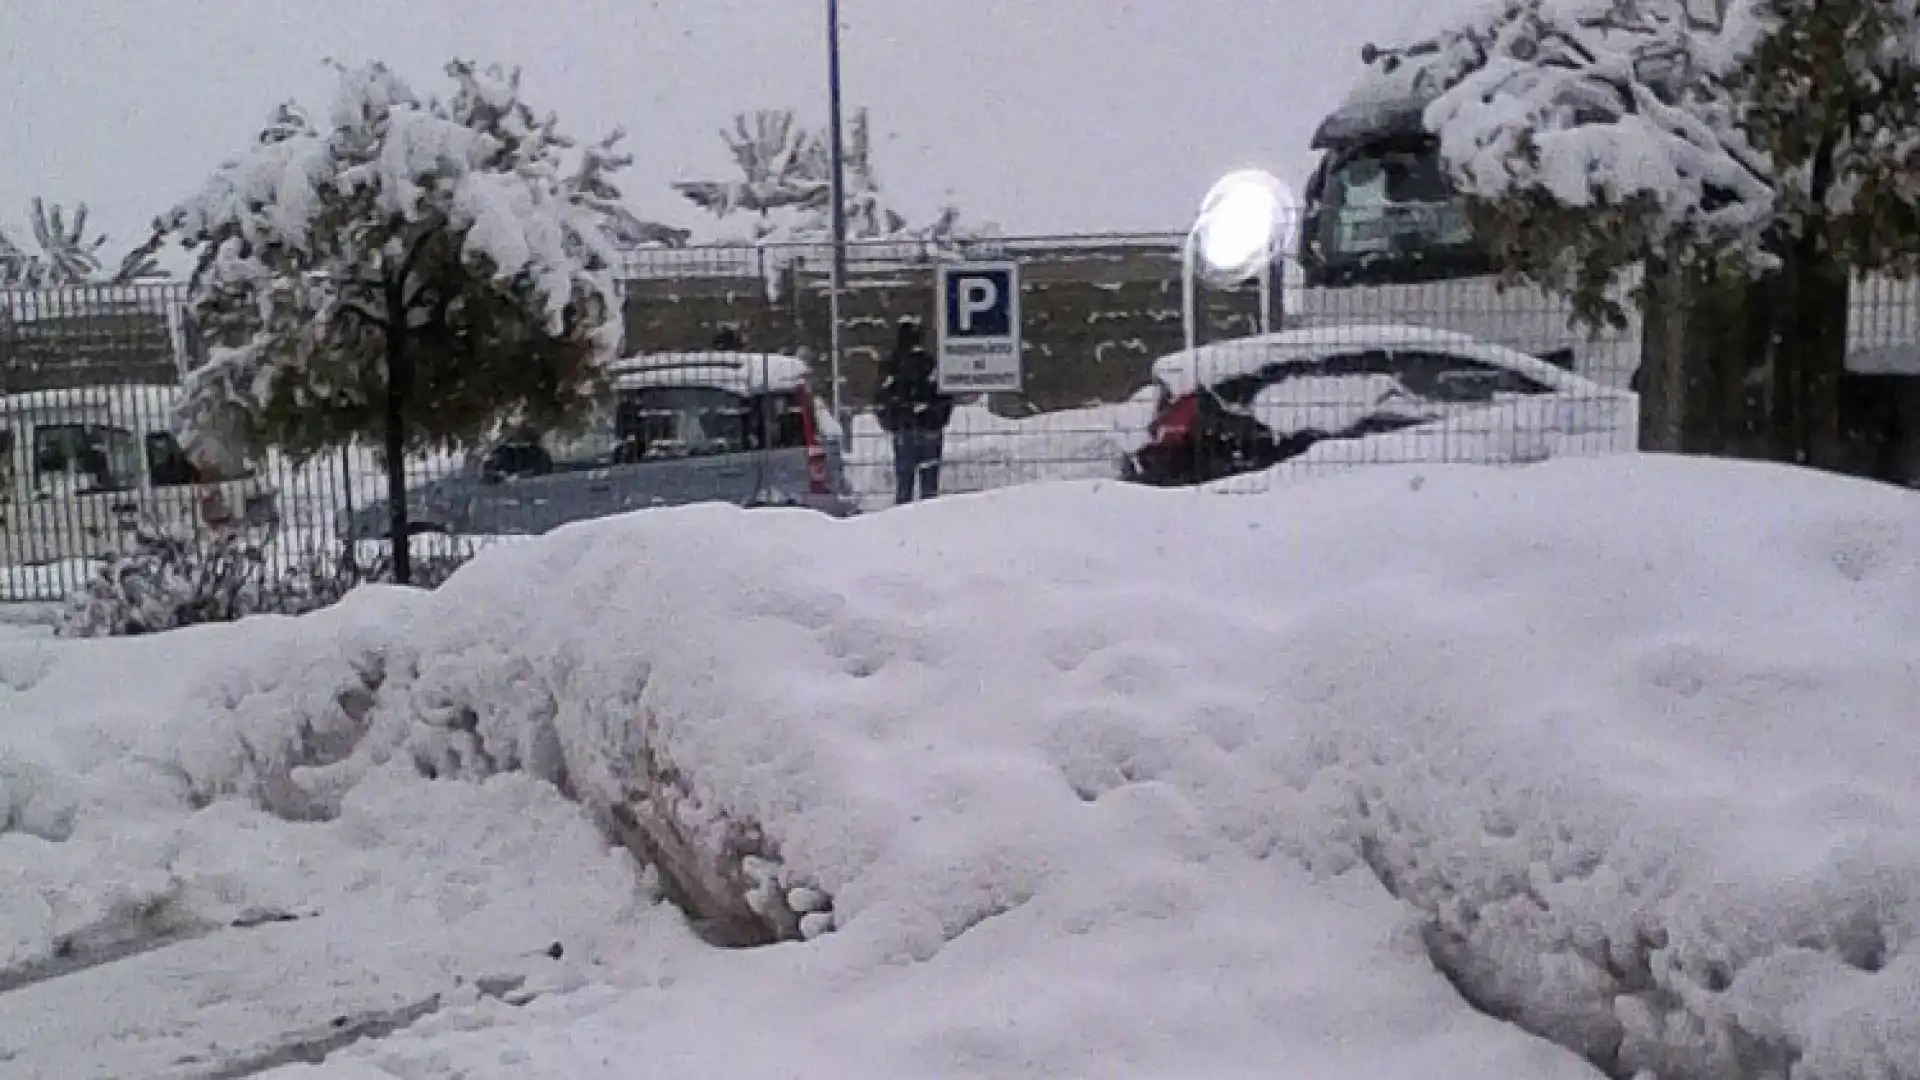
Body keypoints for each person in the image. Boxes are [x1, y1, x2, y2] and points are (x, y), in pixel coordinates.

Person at [875, 317, 953, 504]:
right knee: (929, 486)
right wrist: (937, 418)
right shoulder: (929, 362)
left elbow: (882, 396)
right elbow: (944, 394)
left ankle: (904, 516)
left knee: (904, 482)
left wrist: (892, 420)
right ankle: (928, 516)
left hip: (904, 427)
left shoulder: (891, 364)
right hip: (929, 426)